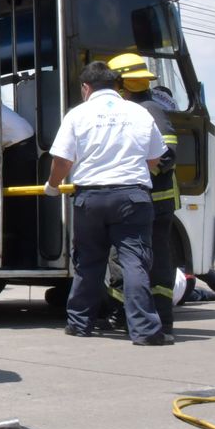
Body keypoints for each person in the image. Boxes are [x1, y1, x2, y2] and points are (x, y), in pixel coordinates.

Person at [46, 62, 169, 345]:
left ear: (86, 88)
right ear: (117, 86)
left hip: (91, 197)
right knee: (134, 262)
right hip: (133, 196)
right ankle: (145, 331)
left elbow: (63, 160)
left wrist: (53, 186)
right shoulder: (139, 112)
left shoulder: (78, 114)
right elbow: (154, 160)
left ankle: (79, 324)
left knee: (89, 261)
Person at [104, 53, 181, 334]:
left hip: (148, 200)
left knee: (129, 258)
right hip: (152, 199)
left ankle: (131, 316)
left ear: (121, 83)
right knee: (153, 259)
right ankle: (155, 319)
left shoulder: (147, 109)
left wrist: (129, 173)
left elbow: (166, 156)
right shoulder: (146, 107)